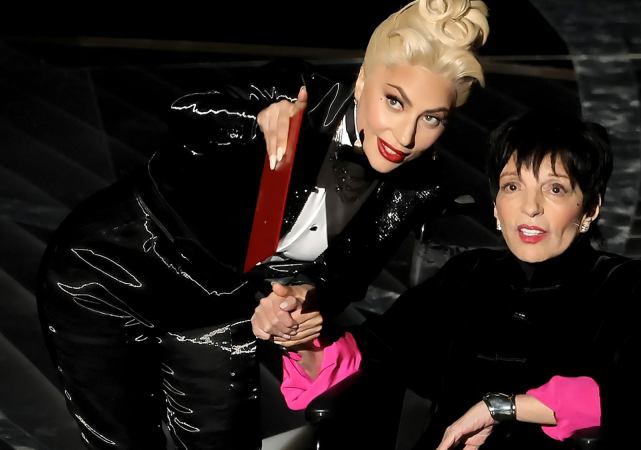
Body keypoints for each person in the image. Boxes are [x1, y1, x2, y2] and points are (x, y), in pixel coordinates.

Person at [35, 1, 489, 448]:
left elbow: (345, 279)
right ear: (363, 81)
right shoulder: (296, 90)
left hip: (218, 310)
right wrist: (254, 123)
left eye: (431, 118)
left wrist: (298, 298)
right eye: (394, 101)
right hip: (112, 273)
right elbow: (185, 110)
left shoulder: (417, 186)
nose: (405, 136)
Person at [278, 110, 641, 449]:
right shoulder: (468, 275)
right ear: (495, 205)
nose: (530, 207)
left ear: (591, 208)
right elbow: (374, 350)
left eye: (555, 189)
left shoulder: (627, 285)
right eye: (512, 186)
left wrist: (502, 407)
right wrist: (297, 334)